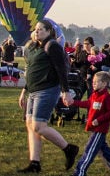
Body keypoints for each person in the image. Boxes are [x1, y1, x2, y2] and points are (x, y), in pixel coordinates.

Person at [17, 20, 79, 174]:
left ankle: (68, 149)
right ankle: (34, 163)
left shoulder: (52, 46)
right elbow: (32, 69)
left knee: (39, 126)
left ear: (49, 31)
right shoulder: (34, 47)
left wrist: (65, 91)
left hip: (47, 89)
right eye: (36, 29)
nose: (37, 32)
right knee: (31, 126)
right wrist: (24, 91)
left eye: (40, 29)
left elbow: (61, 70)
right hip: (33, 90)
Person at [72, 71, 110, 176]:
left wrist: (99, 120)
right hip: (93, 128)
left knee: (89, 150)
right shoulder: (94, 95)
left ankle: (80, 172)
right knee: (103, 149)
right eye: (93, 81)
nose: (93, 84)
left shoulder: (106, 97)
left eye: (96, 82)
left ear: (104, 83)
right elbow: (88, 104)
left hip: (100, 129)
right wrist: (73, 102)